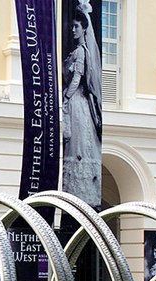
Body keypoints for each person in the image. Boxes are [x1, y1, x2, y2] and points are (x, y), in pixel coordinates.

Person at [62, 1, 102, 209]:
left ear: (85, 28)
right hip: (80, 103)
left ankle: (79, 191)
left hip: (77, 102)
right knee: (78, 145)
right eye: (73, 25)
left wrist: (66, 97)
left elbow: (77, 78)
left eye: (77, 26)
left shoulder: (80, 52)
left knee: (77, 146)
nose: (73, 28)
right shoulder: (80, 50)